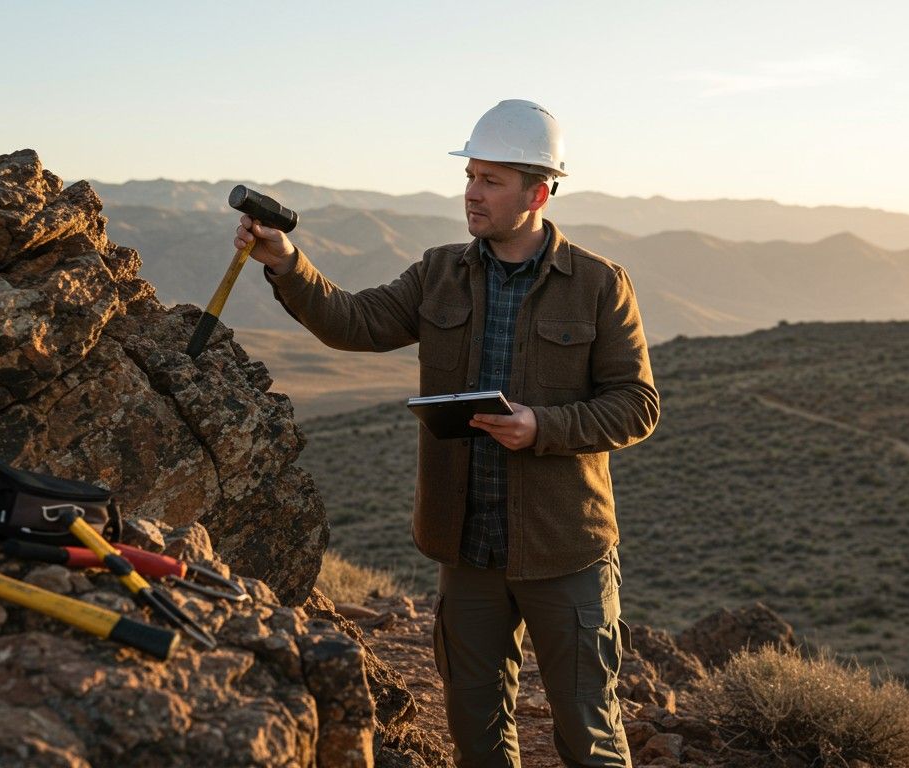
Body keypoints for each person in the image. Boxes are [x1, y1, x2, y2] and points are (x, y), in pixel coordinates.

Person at [234, 99, 659, 767]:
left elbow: (636, 405)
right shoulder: (437, 273)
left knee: (588, 730)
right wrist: (287, 262)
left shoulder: (600, 285)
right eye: (471, 176)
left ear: (538, 191)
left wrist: (539, 426)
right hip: (465, 547)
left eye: (491, 180)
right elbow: (354, 323)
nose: (472, 193)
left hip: (565, 551)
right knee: (475, 728)